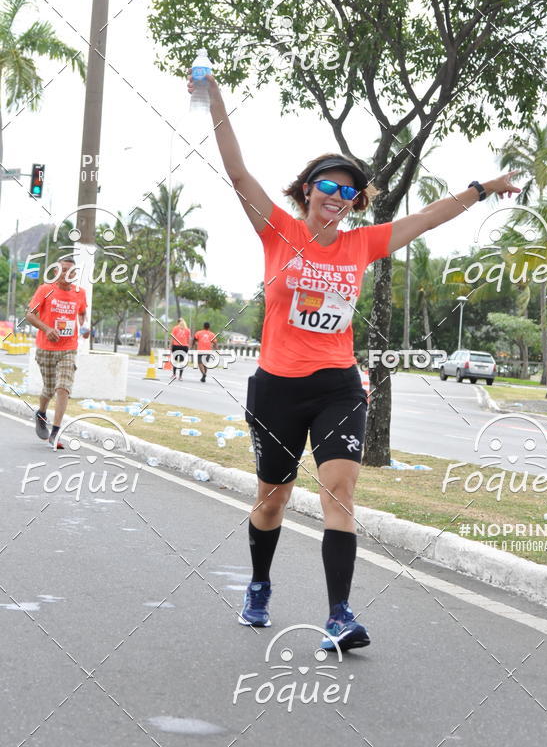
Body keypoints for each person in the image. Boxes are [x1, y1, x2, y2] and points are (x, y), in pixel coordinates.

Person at [191, 71, 520, 651]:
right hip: (276, 388)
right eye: (329, 187)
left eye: (350, 193)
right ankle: (260, 585)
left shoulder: (360, 244)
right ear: (307, 190)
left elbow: (428, 218)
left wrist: (483, 188)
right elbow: (239, 172)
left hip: (339, 385)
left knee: (339, 492)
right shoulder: (278, 230)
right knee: (273, 499)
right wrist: (213, 97)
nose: (339, 199)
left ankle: (339, 615)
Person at [25, 256, 89, 449]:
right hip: (45, 348)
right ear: (55, 272)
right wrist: (47, 329)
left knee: (63, 388)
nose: (67, 274)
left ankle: (55, 432)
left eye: (71, 271)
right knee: (48, 389)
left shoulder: (80, 293)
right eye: (63, 270)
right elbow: (29, 315)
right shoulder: (45, 290)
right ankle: (41, 413)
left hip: (68, 348)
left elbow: (82, 312)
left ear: (75, 274)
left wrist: (83, 326)